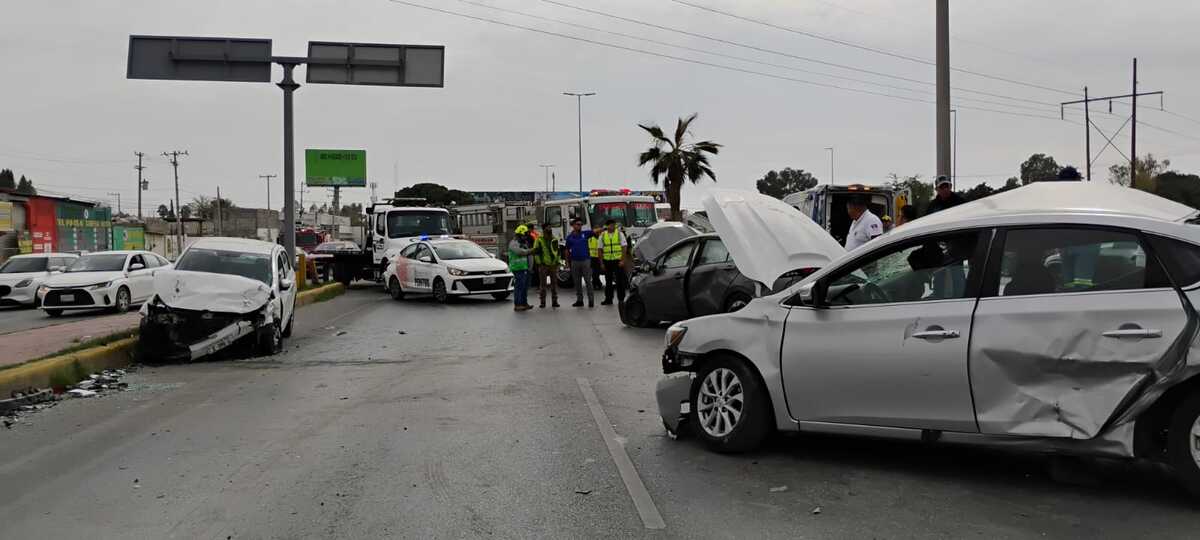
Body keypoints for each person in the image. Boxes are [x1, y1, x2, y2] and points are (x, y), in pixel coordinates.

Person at [563, 219, 595, 307]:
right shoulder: (570, 237)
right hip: (574, 261)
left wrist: (605, 228)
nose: (580, 226)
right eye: (578, 224)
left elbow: (595, 231)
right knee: (577, 282)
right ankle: (579, 300)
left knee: (588, 281)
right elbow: (566, 250)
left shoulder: (585, 234)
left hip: (585, 261)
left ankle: (591, 300)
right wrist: (567, 262)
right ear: (573, 225)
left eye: (581, 224)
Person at [598, 219, 629, 306]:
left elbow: (624, 247)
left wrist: (623, 260)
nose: (612, 226)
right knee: (608, 281)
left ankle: (621, 299)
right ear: (607, 226)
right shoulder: (603, 235)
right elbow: (599, 250)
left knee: (620, 281)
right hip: (607, 261)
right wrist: (601, 263)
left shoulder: (619, 234)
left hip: (618, 261)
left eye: (613, 225)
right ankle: (608, 299)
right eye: (611, 225)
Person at [533, 222, 561, 308]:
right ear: (544, 229)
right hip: (543, 265)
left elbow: (558, 252)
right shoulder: (539, 239)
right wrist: (539, 263)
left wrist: (557, 262)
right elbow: (536, 252)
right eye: (548, 227)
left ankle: (555, 301)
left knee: (554, 285)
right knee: (543, 285)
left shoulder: (554, 239)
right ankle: (542, 302)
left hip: (553, 265)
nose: (550, 229)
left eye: (550, 227)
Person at [508, 225, 534, 311]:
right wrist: (531, 250)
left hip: (524, 268)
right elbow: (520, 252)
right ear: (519, 234)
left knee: (524, 287)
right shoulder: (514, 243)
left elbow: (528, 255)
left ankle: (524, 303)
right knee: (519, 287)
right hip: (517, 268)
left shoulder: (523, 243)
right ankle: (518, 304)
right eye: (524, 235)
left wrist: (530, 267)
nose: (525, 237)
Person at [588, 225, 604, 290]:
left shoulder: (601, 238)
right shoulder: (590, 238)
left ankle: (597, 283)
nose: (598, 232)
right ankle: (596, 283)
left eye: (599, 231)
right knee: (595, 272)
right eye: (596, 230)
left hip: (600, 257)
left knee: (597, 272)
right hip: (592, 258)